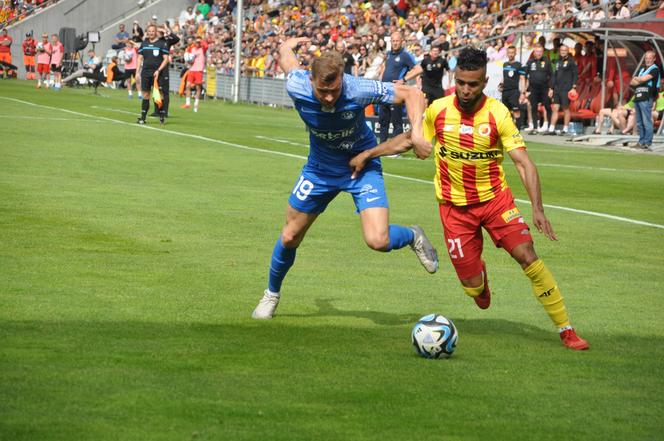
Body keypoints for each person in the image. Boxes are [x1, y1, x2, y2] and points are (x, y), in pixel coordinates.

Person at [350, 47, 589, 351]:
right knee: (474, 289)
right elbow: (409, 140)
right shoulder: (438, 110)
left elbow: (523, 163)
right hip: (454, 210)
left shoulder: (497, 113)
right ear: (455, 77)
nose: (465, 89)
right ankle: (479, 282)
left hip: (495, 202)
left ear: (484, 81)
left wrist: (538, 209)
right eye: (461, 82)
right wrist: (367, 154)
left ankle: (566, 329)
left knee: (527, 255)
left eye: (473, 84)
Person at [251, 37, 438, 320]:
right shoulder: (296, 84)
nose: (329, 97)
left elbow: (412, 94)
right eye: (323, 90)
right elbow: (287, 58)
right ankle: (271, 295)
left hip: (361, 166)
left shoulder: (356, 88)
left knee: (378, 240)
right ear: (310, 80)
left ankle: (412, 235)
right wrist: (288, 44)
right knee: (290, 236)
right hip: (320, 169)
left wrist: (418, 133)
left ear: (342, 79)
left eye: (334, 89)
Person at [376, 32, 417, 143]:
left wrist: (403, 80)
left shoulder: (405, 55)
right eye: (393, 41)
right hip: (384, 91)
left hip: (396, 92)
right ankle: (382, 146)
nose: (395, 43)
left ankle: (396, 149)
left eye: (397, 41)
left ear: (401, 41)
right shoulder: (389, 54)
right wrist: (381, 78)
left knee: (396, 121)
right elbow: (386, 67)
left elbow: (418, 69)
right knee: (383, 121)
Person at [136, 24, 170, 125]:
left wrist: (159, 70)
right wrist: (137, 71)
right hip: (146, 73)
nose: (151, 33)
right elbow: (139, 58)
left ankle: (162, 116)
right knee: (146, 94)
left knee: (159, 94)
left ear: (156, 32)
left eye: (153, 31)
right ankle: (142, 118)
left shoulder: (162, 44)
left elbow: (166, 59)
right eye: (149, 31)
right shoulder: (144, 43)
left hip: (158, 73)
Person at [630, 50, 660, 149]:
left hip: (647, 97)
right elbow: (632, 83)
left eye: (650, 58)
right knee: (639, 121)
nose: (648, 60)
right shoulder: (642, 69)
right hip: (638, 96)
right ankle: (641, 141)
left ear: (654, 59)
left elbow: (642, 79)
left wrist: (637, 78)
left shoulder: (655, 69)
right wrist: (638, 79)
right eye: (646, 58)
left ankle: (647, 142)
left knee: (646, 120)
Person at [548, 44, 578, 135]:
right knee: (555, 108)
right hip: (557, 88)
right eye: (561, 50)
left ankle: (565, 129)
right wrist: (551, 88)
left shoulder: (571, 61)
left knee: (565, 108)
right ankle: (551, 129)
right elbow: (554, 76)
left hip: (566, 89)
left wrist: (573, 88)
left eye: (565, 50)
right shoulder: (557, 61)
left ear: (568, 51)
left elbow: (575, 75)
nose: (563, 52)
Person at [525, 44, 553, 133]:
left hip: (544, 88)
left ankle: (548, 126)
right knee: (534, 107)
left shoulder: (547, 61)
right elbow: (525, 76)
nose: (539, 53)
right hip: (533, 88)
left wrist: (551, 88)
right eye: (537, 51)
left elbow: (552, 75)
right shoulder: (530, 62)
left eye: (540, 52)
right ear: (534, 52)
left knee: (547, 106)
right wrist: (525, 90)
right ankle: (535, 127)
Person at [499, 45, 526, 124]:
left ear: (515, 53)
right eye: (509, 53)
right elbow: (504, 77)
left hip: (514, 92)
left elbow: (522, 79)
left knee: (516, 111)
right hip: (505, 91)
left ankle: (517, 130)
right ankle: (508, 130)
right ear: (507, 53)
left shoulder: (519, 65)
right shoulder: (505, 64)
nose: (510, 54)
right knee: (505, 112)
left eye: (512, 53)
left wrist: (523, 93)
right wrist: (501, 84)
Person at [182, 36, 205, 112]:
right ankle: (188, 103)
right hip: (192, 69)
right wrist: (188, 61)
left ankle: (196, 104)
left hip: (199, 70)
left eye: (199, 42)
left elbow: (206, 45)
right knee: (187, 85)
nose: (197, 43)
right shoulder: (192, 49)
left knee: (198, 88)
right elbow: (187, 57)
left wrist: (201, 40)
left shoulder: (202, 49)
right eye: (196, 42)